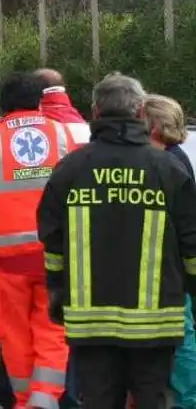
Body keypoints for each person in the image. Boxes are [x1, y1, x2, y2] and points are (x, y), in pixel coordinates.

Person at [38, 74, 196, 409]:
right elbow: (192, 243)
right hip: (156, 323)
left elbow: (52, 241)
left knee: (98, 399)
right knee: (151, 399)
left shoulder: (71, 169)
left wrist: (55, 291)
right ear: (140, 112)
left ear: (95, 112)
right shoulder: (168, 169)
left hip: (90, 320)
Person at [0, 71, 73, 409]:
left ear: (2, 105)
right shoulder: (62, 133)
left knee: (13, 333)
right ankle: (45, 396)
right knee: (53, 326)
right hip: (54, 251)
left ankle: (24, 399)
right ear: (40, 101)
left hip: (7, 256)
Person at [143, 94, 196, 409]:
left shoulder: (170, 163)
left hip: (169, 267)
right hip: (170, 266)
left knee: (181, 338)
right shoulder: (176, 158)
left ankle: (190, 399)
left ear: (155, 126)